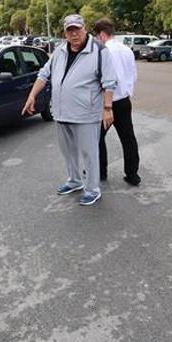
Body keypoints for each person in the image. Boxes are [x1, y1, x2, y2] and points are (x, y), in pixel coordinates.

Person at [22, 14, 117, 206]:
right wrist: (32, 95)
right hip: (62, 112)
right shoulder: (59, 51)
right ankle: (74, 180)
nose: (74, 34)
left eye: (77, 29)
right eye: (70, 30)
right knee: (68, 152)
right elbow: (44, 74)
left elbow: (109, 82)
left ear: (85, 29)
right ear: (65, 33)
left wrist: (107, 108)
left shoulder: (99, 51)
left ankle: (92, 189)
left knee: (89, 153)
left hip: (86, 113)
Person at [93, 18, 141, 186]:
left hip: (108, 103)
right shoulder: (126, 49)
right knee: (128, 138)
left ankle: (101, 172)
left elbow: (104, 79)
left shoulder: (103, 51)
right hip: (124, 101)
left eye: (96, 36)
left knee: (97, 138)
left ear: (101, 34)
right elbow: (133, 75)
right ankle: (132, 174)